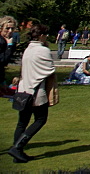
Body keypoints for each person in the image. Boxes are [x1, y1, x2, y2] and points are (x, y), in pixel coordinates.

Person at [9, 24, 56, 164]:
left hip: (23, 89)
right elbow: (50, 69)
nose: (46, 37)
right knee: (40, 119)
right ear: (41, 35)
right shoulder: (43, 50)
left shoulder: (28, 49)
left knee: (22, 122)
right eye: (45, 35)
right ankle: (18, 147)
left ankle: (17, 152)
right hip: (35, 90)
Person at [0, 16, 15, 95]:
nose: (10, 31)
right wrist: (9, 45)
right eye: (7, 28)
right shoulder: (1, 41)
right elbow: (3, 60)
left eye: (12, 29)